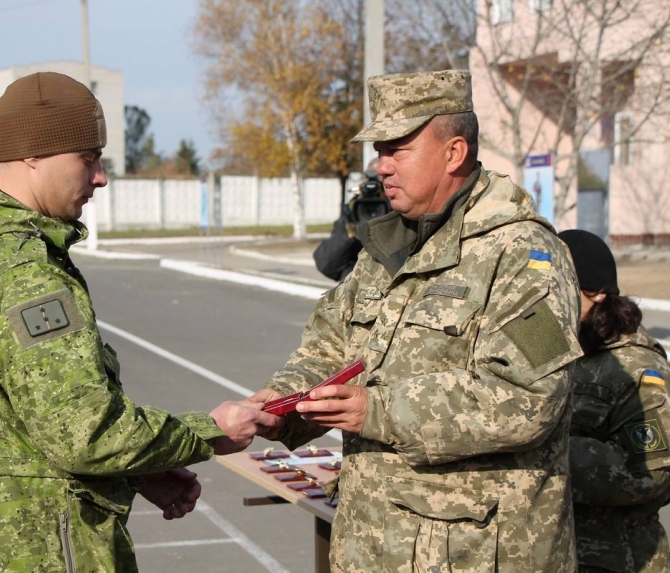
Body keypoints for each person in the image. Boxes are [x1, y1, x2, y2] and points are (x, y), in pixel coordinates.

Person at [0, 72, 281, 572]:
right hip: (38, 550)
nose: (101, 177)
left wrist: (138, 472)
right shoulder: (23, 272)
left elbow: (16, 428)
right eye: (88, 158)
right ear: (34, 154)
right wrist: (210, 432)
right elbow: (86, 433)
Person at [250, 70, 583, 571]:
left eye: (396, 149)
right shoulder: (383, 249)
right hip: (374, 544)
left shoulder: (525, 255)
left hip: (474, 553)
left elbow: (528, 399)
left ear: (453, 153)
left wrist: (377, 410)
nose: (380, 166)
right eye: (379, 151)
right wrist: (282, 404)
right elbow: (328, 349)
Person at [559, 229, 670, 573]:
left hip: (618, 559)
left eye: (561, 287)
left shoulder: (638, 368)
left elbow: (651, 473)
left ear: (596, 294)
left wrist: (549, 454)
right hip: (556, 550)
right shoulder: (554, 347)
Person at [312, 159, 387, 281]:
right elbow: (326, 264)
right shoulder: (356, 210)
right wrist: (350, 230)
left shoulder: (405, 212)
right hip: (358, 291)